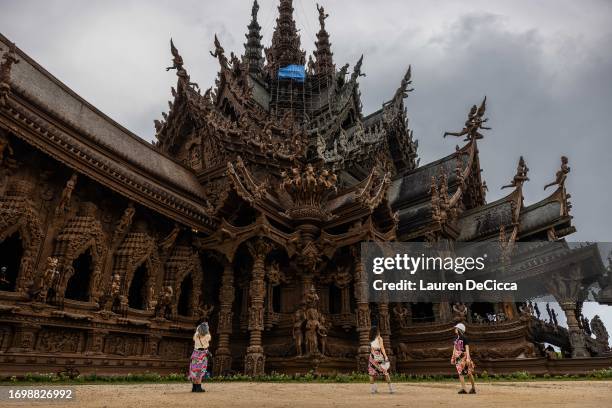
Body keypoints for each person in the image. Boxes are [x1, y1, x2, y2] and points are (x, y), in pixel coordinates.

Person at [451, 323, 476, 394]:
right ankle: (464, 389)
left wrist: (468, 358)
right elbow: (454, 348)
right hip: (458, 357)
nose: (455, 329)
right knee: (460, 373)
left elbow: (467, 348)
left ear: (459, 330)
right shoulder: (455, 338)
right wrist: (453, 356)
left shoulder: (465, 338)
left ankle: (473, 388)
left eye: (456, 328)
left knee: (469, 373)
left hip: (464, 356)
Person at [368, 327, 394, 394]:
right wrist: (385, 356)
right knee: (385, 373)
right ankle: (391, 389)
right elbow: (382, 348)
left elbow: (371, 349)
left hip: (372, 357)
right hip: (379, 356)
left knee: (372, 374)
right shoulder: (379, 338)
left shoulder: (371, 339)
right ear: (377, 332)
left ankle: (373, 390)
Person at [189, 322, 211, 392]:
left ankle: (194, 387)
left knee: (194, 370)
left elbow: (197, 331)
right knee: (200, 371)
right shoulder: (207, 336)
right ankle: (198, 387)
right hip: (202, 355)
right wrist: (206, 326)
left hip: (195, 354)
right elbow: (208, 333)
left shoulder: (195, 336)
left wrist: (200, 326)